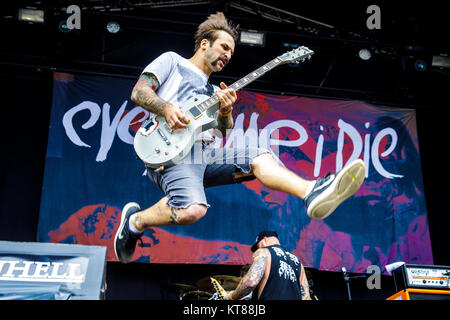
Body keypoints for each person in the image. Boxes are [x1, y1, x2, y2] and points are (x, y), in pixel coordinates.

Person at [114, 12, 366, 263]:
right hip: (169, 152)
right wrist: (167, 108)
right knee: (193, 210)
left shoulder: (214, 91)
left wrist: (225, 111)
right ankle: (136, 221)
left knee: (260, 155)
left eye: (231, 53)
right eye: (224, 47)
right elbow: (140, 91)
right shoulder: (173, 61)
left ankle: (311, 191)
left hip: (205, 153)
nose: (227, 55)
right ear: (204, 44)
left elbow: (221, 132)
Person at [224, 231, 311, 300]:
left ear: (264, 239)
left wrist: (231, 297)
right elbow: (306, 297)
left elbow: (250, 282)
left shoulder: (263, 252)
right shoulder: (297, 262)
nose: (257, 249)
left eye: (258, 246)